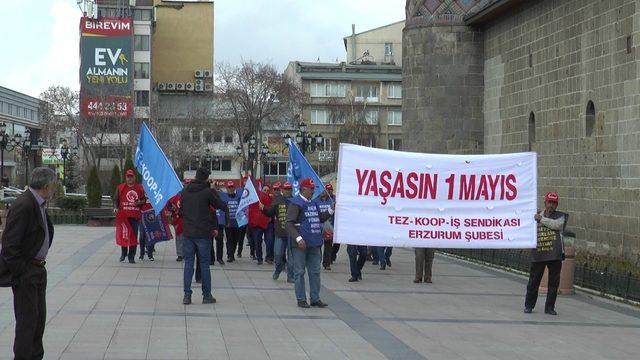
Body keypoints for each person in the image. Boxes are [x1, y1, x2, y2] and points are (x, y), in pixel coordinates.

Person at [0, 167, 57, 360]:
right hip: (27, 272)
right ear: (46, 185)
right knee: (27, 323)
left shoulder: (39, 203)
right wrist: (22, 272)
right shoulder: (24, 204)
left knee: (38, 320)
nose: (54, 189)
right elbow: (9, 244)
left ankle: (35, 356)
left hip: (38, 269)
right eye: (54, 185)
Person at [180, 167, 227, 305]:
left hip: (188, 232)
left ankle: (187, 296)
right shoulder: (207, 192)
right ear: (206, 178)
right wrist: (213, 190)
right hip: (203, 234)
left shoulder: (185, 191)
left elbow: (181, 210)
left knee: (188, 264)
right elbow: (220, 205)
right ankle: (206, 296)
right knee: (204, 265)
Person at [286, 178, 333, 308]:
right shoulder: (296, 203)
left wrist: (331, 210)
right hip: (300, 245)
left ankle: (315, 298)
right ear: (304, 189)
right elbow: (289, 223)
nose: (313, 191)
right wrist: (298, 238)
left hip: (314, 243)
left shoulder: (313, 203)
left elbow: (321, 217)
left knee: (315, 271)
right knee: (299, 272)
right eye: (311, 189)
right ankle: (301, 299)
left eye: (313, 189)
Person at [524, 192, 567, 316]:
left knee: (553, 283)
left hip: (554, 255)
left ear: (557, 205)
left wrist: (541, 219)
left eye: (554, 203)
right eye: (549, 202)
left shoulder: (560, 217)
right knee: (533, 281)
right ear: (545, 203)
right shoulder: (537, 215)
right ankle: (529, 305)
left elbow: (557, 225)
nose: (551, 205)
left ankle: (549, 307)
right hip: (540, 253)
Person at [260, 181, 294, 282]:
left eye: (289, 189)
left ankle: (290, 276)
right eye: (286, 189)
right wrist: (263, 209)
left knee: (291, 257)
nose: (287, 191)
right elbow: (270, 212)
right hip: (280, 233)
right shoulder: (278, 200)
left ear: (291, 190)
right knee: (278, 254)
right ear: (282, 190)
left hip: (292, 234)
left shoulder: (295, 201)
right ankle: (278, 269)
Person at [112, 169, 145, 263]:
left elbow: (144, 200)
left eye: (131, 176)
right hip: (124, 217)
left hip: (135, 217)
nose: (129, 178)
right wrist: (115, 208)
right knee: (124, 235)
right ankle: (123, 254)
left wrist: (139, 202)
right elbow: (115, 199)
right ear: (125, 177)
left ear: (134, 177)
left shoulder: (139, 188)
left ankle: (131, 256)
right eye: (128, 176)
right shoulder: (121, 187)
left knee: (134, 237)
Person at [248, 181, 272, 265]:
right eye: (264, 190)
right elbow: (250, 210)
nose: (266, 192)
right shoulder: (255, 198)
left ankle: (269, 257)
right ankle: (259, 258)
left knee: (269, 241)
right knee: (257, 241)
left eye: (267, 190)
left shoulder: (272, 199)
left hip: (268, 223)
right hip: (257, 224)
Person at [315, 185, 334, 270]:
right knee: (318, 245)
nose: (324, 192)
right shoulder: (315, 201)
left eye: (326, 190)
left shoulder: (331, 200)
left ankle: (327, 263)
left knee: (328, 246)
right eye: (323, 190)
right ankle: (317, 261)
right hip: (318, 227)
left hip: (328, 227)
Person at [222, 180, 243, 263]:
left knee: (235, 239)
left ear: (234, 188)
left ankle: (232, 253)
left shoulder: (238, 197)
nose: (230, 188)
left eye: (232, 187)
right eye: (229, 187)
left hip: (237, 222)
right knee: (229, 239)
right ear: (227, 188)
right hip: (228, 222)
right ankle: (229, 255)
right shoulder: (224, 197)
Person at [167, 193, 184, 261]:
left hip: (186, 219)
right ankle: (180, 254)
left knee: (186, 238)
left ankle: (186, 253)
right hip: (177, 219)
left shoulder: (186, 195)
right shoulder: (172, 197)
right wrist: (172, 208)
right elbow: (168, 207)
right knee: (179, 237)